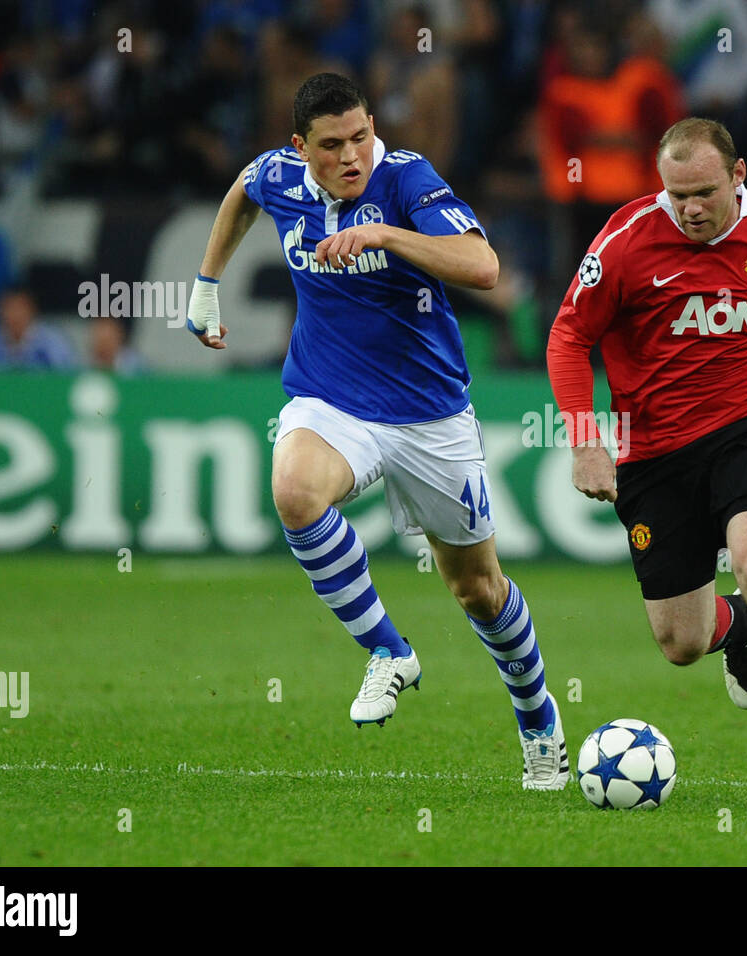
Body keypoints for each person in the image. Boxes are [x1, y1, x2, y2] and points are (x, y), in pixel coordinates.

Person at [185, 72, 567, 790]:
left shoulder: (407, 180)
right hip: (331, 401)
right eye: (333, 145)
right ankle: (389, 650)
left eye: (361, 135)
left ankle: (538, 716)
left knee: (478, 589)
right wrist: (206, 286)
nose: (353, 155)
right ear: (303, 149)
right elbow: (243, 188)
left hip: (429, 415)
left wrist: (386, 234)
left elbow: (484, 268)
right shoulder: (280, 176)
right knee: (296, 491)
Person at [546, 117, 747, 809]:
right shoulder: (627, 240)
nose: (688, 208)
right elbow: (569, 336)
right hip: (654, 453)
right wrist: (585, 438)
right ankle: (742, 627)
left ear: (739, 175)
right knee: (681, 642)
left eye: (704, 193)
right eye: (676, 193)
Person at [0, 287, 76, 370]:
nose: (14, 314)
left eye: (19, 307)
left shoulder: (54, 343)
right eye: (8, 308)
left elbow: (67, 378)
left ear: (32, 309)